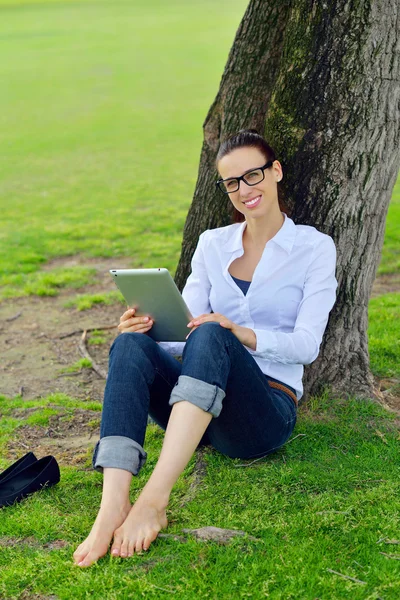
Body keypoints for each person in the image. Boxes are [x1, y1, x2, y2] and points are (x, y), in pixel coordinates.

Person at [73, 129, 338, 567]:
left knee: (215, 334)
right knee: (131, 345)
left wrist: (241, 333)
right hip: (199, 411)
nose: (244, 191)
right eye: (232, 183)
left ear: (275, 172)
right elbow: (185, 329)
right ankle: (112, 505)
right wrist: (145, 326)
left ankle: (153, 501)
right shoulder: (213, 244)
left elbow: (308, 345)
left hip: (264, 410)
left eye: (252, 176)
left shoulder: (313, 247)